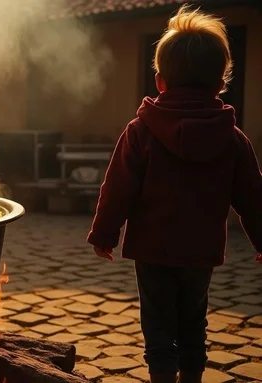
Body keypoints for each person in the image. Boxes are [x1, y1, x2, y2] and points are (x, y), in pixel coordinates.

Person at [86, 4, 262, 383]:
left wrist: (104, 234)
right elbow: (253, 197)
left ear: (160, 80)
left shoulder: (140, 132)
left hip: (152, 250)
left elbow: (117, 187)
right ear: (220, 82)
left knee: (158, 322)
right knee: (193, 319)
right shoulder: (232, 139)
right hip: (200, 252)